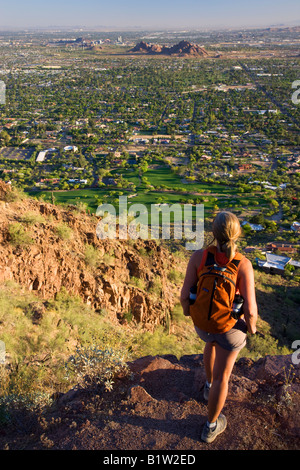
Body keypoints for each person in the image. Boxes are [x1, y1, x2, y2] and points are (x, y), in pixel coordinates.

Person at [180, 211, 257, 443]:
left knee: (211, 342)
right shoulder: (243, 264)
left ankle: (207, 385)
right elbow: (251, 311)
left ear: (213, 233)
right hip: (228, 329)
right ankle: (211, 426)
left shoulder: (199, 257)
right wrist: (251, 330)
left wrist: (190, 314)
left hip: (203, 327)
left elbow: (185, 297)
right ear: (237, 234)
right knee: (225, 376)